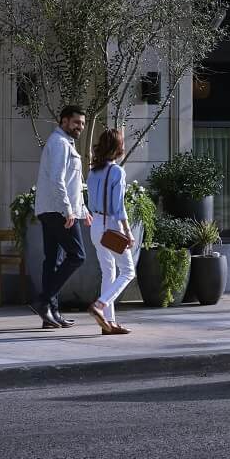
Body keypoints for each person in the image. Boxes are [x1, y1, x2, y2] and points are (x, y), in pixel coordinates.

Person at [32, 105, 90, 330]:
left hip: (53, 209)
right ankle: (44, 300)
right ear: (63, 121)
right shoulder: (59, 143)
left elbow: (74, 182)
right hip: (59, 211)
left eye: (83, 124)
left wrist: (83, 210)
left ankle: (50, 314)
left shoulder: (65, 143)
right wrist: (68, 211)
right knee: (78, 256)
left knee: (53, 260)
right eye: (76, 123)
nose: (80, 127)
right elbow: (58, 180)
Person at [86, 129, 134, 336]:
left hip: (96, 226)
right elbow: (118, 207)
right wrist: (128, 232)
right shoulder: (117, 172)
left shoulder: (92, 171)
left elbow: (90, 200)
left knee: (109, 272)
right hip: (110, 226)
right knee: (128, 271)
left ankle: (109, 323)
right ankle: (100, 304)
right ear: (118, 147)